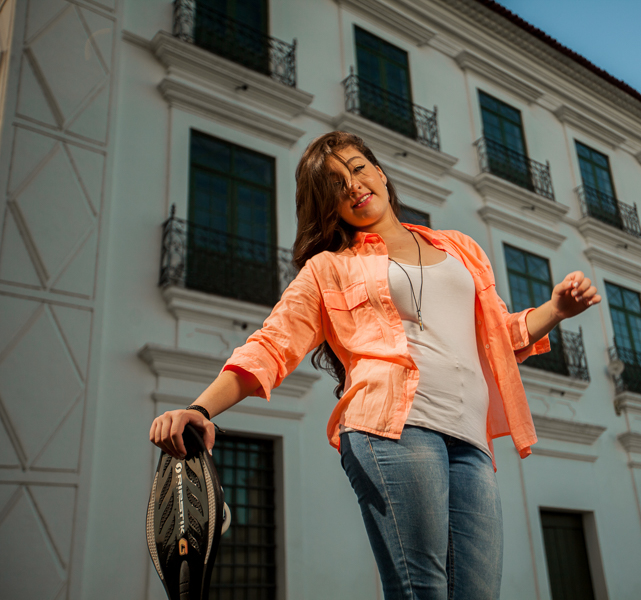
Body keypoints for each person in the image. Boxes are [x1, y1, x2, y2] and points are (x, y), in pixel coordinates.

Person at [149, 131, 600, 599]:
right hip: (393, 428)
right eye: (335, 183)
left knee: (479, 592)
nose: (352, 185)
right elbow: (272, 345)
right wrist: (199, 409)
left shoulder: (462, 249)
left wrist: (557, 310)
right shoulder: (329, 268)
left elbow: (498, 336)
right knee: (421, 589)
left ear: (380, 173)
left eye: (358, 168)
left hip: (470, 438)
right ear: (327, 204)